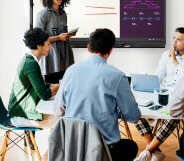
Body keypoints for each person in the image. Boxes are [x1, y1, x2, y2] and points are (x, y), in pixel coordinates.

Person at [53, 28, 141, 161]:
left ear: (88, 48)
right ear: (110, 50)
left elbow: (57, 110)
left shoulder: (71, 71)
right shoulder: (117, 76)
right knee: (131, 146)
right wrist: (112, 110)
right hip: (103, 151)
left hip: (73, 149)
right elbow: (133, 116)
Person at [134, 27, 184, 161]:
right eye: (174, 38)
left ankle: (148, 151)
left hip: (182, 97)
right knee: (136, 112)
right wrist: (150, 83)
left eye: (179, 39)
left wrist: (175, 61)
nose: (174, 42)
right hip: (163, 94)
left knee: (174, 115)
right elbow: (158, 76)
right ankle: (155, 151)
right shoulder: (165, 55)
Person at [8, 28, 60, 160]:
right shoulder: (30, 64)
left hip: (22, 111)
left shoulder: (30, 60)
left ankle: (52, 154)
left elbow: (39, 86)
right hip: (21, 115)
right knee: (64, 120)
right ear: (39, 45)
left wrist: (55, 86)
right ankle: (48, 156)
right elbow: (44, 94)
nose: (50, 46)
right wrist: (62, 86)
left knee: (63, 116)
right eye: (48, 43)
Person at [35, 0, 77, 84]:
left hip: (65, 58)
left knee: (66, 88)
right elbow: (37, 38)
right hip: (52, 60)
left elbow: (62, 34)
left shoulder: (63, 13)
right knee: (53, 91)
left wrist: (69, 35)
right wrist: (58, 37)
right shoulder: (43, 14)